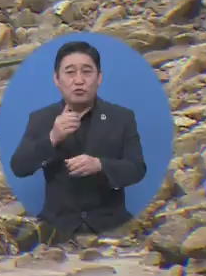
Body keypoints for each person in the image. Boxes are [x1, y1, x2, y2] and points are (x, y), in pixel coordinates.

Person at [10, 40, 146, 240]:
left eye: (87, 72)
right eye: (70, 72)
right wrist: (52, 138)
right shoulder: (42, 118)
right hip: (58, 227)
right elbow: (19, 167)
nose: (79, 80)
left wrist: (101, 165)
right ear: (57, 79)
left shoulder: (122, 117)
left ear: (99, 78)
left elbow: (137, 169)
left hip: (110, 226)